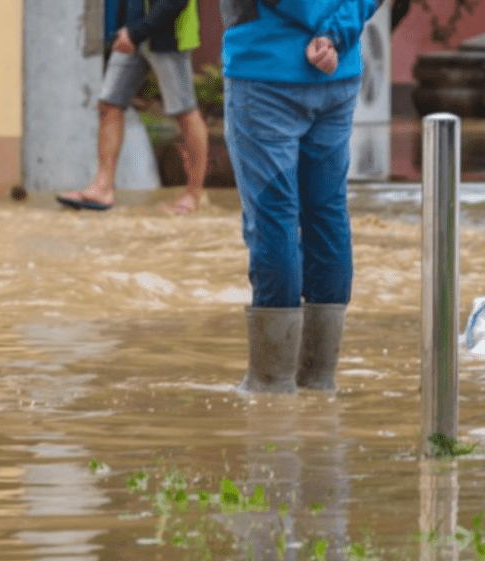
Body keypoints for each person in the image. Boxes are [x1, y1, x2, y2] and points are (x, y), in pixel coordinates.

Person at [221, 0, 380, 393]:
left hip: (266, 70)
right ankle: (319, 378)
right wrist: (334, 34)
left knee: (273, 216)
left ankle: (271, 383)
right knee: (326, 213)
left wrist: (321, 30)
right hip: (337, 73)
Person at [57, 0, 209, 214]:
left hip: (168, 36)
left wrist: (136, 32)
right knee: (109, 103)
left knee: (184, 111)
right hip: (133, 36)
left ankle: (195, 193)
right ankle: (103, 187)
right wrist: (127, 31)